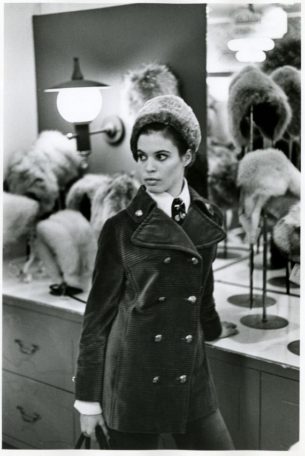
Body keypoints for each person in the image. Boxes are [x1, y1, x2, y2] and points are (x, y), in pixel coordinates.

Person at [74, 95, 238, 450]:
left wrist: (213, 328)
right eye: (142, 157)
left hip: (189, 373)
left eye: (161, 157)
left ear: (187, 156)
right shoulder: (120, 228)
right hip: (133, 377)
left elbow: (202, 287)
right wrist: (87, 401)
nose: (148, 168)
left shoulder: (209, 216)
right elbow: (96, 320)